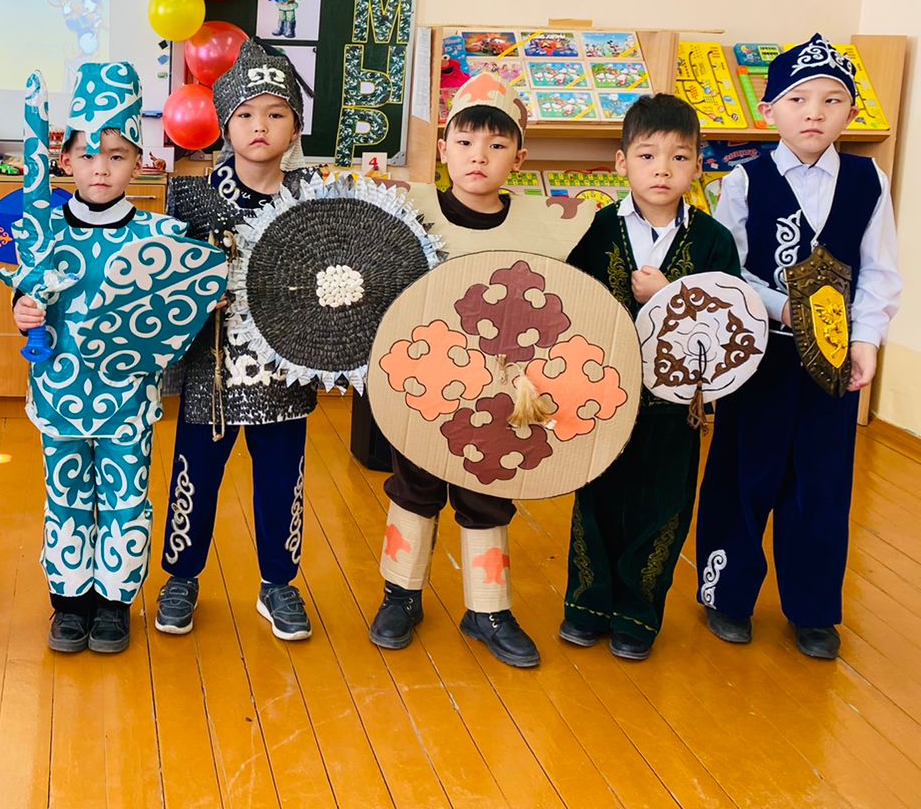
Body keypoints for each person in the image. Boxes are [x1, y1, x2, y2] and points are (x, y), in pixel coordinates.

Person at [371, 73, 592, 667]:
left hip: (501, 393)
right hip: (425, 383)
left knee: (488, 491)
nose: (479, 157)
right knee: (414, 486)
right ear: (444, 149)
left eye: (496, 145)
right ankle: (401, 595)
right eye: (466, 143)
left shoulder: (545, 225)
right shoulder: (409, 211)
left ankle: (488, 608)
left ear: (518, 157)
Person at [696, 34, 901, 659]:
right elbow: (727, 269)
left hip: (833, 361)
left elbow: (880, 269)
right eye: (798, 99)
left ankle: (812, 609)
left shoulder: (868, 181)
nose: (814, 112)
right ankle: (727, 595)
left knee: (822, 479)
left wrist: (865, 339)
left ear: (851, 112)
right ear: (770, 110)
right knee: (743, 471)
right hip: (761, 353)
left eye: (831, 100)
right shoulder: (745, 181)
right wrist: (782, 306)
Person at [12, 62, 221, 655]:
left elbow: (185, 302)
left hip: (129, 396)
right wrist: (23, 310)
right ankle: (69, 602)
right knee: (66, 496)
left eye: (116, 155)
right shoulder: (43, 229)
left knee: (126, 498)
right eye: (87, 155)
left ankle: (114, 603)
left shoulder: (161, 236)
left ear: (137, 162)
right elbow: (26, 295)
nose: (100, 168)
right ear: (65, 160)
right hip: (58, 389)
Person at [561, 93, 740, 659]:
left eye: (679, 157)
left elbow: (730, 322)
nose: (662, 169)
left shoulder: (713, 240)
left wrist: (672, 296)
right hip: (600, 395)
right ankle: (586, 605)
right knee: (596, 499)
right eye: (647, 155)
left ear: (698, 164)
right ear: (621, 163)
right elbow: (569, 304)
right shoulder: (593, 230)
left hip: (676, 404)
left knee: (663, 506)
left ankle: (638, 615)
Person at [154, 41, 316, 641]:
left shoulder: (314, 197)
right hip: (212, 369)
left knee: (281, 480)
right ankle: (181, 576)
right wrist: (194, 295)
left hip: (286, 369)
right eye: (246, 114)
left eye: (276, 113)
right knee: (194, 477)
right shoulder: (190, 197)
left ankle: (279, 583)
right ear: (225, 124)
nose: (260, 126)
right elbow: (165, 278)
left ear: (295, 126)